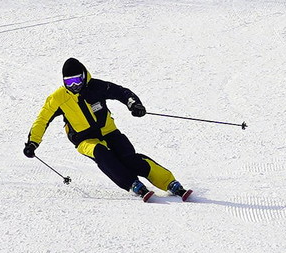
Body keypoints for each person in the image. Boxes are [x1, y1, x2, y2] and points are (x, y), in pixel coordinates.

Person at [23, 58, 192, 201]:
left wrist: (134, 104)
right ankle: (132, 184)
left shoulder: (96, 87)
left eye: (77, 80)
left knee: (130, 158)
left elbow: (122, 92)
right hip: (84, 140)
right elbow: (42, 120)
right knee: (102, 154)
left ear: (84, 76)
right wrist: (33, 142)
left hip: (109, 131)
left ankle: (170, 183)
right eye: (69, 82)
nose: (74, 85)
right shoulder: (57, 98)